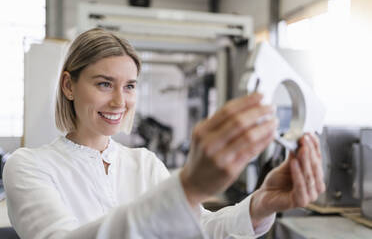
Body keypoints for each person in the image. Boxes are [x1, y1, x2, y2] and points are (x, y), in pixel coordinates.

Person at [3, 28, 325, 239]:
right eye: (104, 84)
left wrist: (261, 204)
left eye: (129, 86)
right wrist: (187, 187)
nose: (120, 101)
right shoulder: (29, 166)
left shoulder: (144, 163)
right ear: (69, 86)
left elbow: (203, 230)